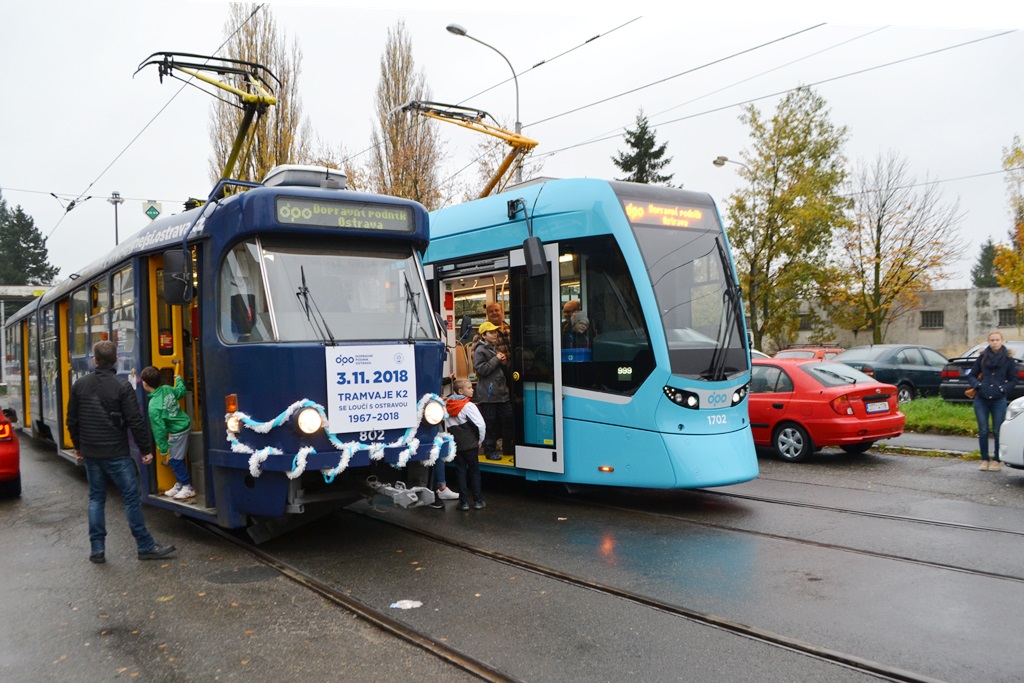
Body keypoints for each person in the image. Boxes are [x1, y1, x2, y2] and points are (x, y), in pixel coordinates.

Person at [67, 341, 176, 564]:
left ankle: (97, 549)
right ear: (116, 360)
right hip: (116, 452)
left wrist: (78, 446)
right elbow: (135, 421)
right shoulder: (122, 386)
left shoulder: (80, 385)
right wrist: (145, 449)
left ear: (95, 360)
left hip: (91, 453)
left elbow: (72, 420)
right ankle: (144, 545)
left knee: (96, 498)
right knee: (130, 498)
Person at [141, 365, 194, 500]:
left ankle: (187, 486)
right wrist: (179, 379)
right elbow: (181, 392)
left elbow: (159, 429)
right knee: (176, 458)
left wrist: (163, 448)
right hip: (183, 424)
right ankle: (180, 484)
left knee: (175, 460)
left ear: (145, 384)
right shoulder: (167, 389)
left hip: (178, 431)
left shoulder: (153, 405)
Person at [968, 330, 1017, 471]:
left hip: (998, 400)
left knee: (997, 431)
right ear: (988, 342)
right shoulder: (982, 357)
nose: (995, 342)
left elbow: (1013, 380)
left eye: (997, 340)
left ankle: (997, 460)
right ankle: (984, 459)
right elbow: (971, 375)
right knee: (983, 431)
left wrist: (1003, 389)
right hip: (981, 399)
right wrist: (977, 385)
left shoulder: (1008, 359)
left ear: (1002, 341)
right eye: (992, 340)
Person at [473, 321, 514, 460]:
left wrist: (501, 360)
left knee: (507, 419)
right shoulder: (480, 351)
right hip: (488, 395)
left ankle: (508, 448)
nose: (495, 334)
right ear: (483, 335)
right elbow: (480, 370)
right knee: (489, 423)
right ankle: (489, 451)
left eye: (495, 332)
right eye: (491, 332)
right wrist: (497, 359)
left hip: (502, 393)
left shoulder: (493, 348)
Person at [445, 378, 487, 510]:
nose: (472, 389)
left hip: (457, 445)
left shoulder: (447, 405)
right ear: (460, 391)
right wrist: (480, 440)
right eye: (469, 388)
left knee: (460, 472)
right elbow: (481, 425)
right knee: (474, 472)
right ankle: (478, 501)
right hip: (470, 445)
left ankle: (464, 503)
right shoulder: (468, 406)